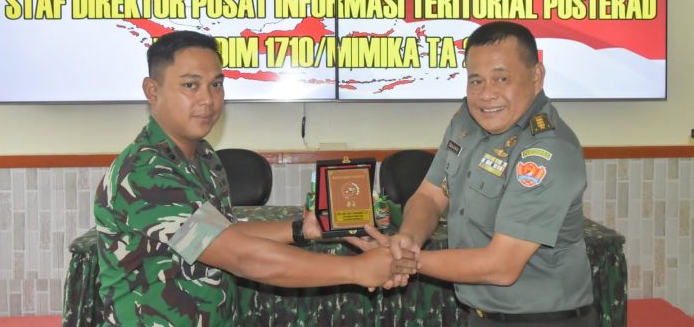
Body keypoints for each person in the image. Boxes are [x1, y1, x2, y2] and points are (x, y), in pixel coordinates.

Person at [94, 30, 415, 326]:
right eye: (190, 85)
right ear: (152, 90)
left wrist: (301, 229)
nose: (208, 99)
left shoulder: (203, 156)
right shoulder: (145, 171)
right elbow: (241, 256)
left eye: (216, 85)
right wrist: (356, 269)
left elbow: (221, 232)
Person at [354, 21, 597, 326]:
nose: (486, 94)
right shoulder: (467, 121)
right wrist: (407, 239)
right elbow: (431, 195)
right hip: (480, 315)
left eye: (501, 79)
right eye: (476, 81)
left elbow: (502, 266)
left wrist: (405, 260)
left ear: (536, 76)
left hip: (543, 320)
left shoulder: (547, 150)